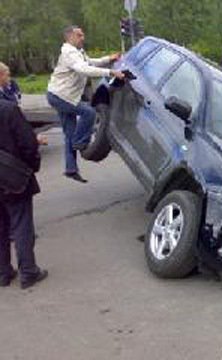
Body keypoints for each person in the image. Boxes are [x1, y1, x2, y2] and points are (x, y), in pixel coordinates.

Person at [47, 25, 125, 183]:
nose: (83, 38)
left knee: (69, 134)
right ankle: (80, 142)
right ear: (69, 37)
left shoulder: (77, 52)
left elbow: (90, 62)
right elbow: (83, 69)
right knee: (88, 112)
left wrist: (108, 59)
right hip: (60, 96)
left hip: (64, 95)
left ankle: (71, 169)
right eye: (79, 35)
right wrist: (110, 72)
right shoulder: (68, 52)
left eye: (83, 35)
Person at [0, 99, 48, 289]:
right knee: (21, 224)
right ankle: (28, 271)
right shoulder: (8, 109)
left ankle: (3, 272)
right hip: (12, 177)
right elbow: (28, 143)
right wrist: (30, 167)